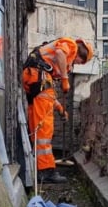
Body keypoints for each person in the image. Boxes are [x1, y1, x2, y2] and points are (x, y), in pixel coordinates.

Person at [22, 37, 94, 183]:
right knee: (43, 131)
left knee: (37, 129)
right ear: (82, 55)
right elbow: (61, 53)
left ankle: (39, 167)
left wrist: (60, 109)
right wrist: (65, 79)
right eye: (81, 62)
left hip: (35, 82)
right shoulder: (71, 45)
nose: (76, 64)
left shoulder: (47, 68)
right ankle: (46, 172)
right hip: (38, 80)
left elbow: (47, 94)